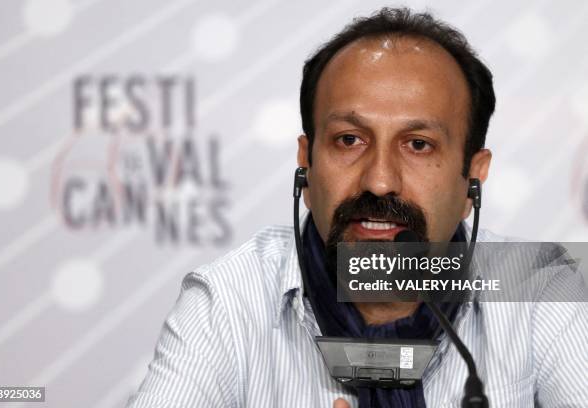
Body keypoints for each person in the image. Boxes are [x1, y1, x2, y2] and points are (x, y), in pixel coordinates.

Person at [127, 7, 588, 407]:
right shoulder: (228, 299)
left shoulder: (541, 290)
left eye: (418, 145)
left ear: (473, 176)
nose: (380, 180)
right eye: (349, 140)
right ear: (306, 163)